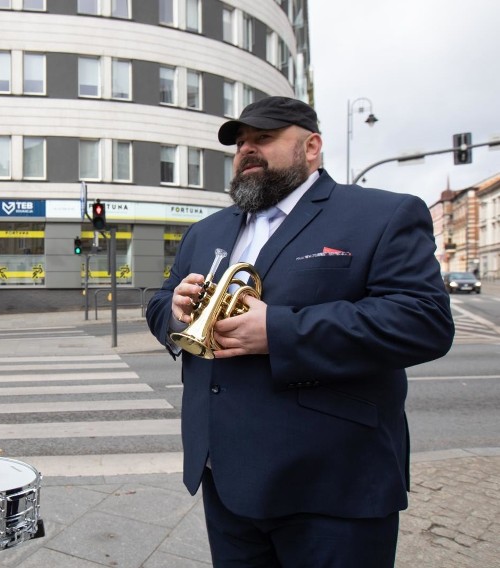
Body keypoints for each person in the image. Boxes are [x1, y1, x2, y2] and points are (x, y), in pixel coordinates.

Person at [145, 96, 454, 567]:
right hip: (225, 478)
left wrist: (279, 330)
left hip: (331, 486)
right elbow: (160, 301)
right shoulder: (205, 232)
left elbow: (423, 320)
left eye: (264, 138)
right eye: (240, 142)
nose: (248, 149)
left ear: (311, 147)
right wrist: (176, 313)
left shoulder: (382, 214)